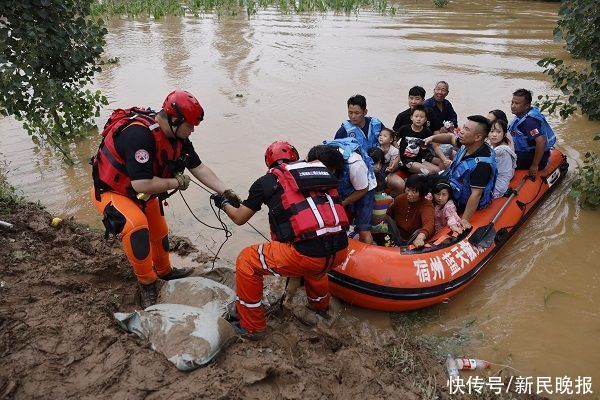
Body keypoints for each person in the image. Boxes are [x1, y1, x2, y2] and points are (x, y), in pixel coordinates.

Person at [90, 90, 240, 308]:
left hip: (143, 193)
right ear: (175, 120)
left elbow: (197, 167)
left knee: (159, 230)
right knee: (137, 227)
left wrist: (225, 190)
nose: (193, 130)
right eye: (190, 125)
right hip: (113, 191)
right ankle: (147, 283)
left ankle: (165, 271)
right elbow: (140, 184)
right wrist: (177, 182)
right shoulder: (138, 136)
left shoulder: (178, 136)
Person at [210, 141, 349, 338]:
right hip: (340, 250)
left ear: (268, 163)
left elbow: (239, 218)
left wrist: (223, 203)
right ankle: (319, 306)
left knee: (247, 259)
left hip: (307, 255)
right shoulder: (319, 173)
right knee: (316, 257)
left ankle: (252, 326)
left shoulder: (264, 182)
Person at [424, 115, 497, 228]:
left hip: (462, 201)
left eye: (466, 129)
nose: (461, 132)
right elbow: (450, 138)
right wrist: (432, 138)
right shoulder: (468, 143)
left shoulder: (482, 165)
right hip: (453, 185)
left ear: (478, 137)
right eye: (463, 127)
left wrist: (465, 219)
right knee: (422, 181)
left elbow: (476, 194)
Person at [334, 95, 405, 196]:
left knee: (400, 185)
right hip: (360, 170)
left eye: (357, 113)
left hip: (381, 166)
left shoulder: (376, 123)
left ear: (365, 112)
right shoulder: (344, 130)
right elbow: (335, 151)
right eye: (350, 112)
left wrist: (397, 159)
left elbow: (392, 140)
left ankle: (387, 205)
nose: (353, 116)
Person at [320, 138, 377, 245]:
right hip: (345, 183)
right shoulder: (321, 156)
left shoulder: (355, 164)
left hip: (365, 187)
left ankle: (367, 249)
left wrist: (343, 203)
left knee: (363, 229)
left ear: (335, 168)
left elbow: (363, 189)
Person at [508, 89, 557, 177]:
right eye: (512, 102)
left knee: (504, 160)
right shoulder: (524, 114)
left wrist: (534, 165)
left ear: (527, 106)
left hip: (535, 157)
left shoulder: (529, 122)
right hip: (527, 152)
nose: (513, 106)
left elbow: (541, 141)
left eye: (517, 103)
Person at [386, 174, 435, 248]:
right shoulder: (400, 199)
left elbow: (429, 224)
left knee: (418, 232)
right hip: (397, 235)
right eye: (408, 190)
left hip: (413, 238)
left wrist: (420, 238)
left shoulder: (426, 205)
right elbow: (389, 214)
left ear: (422, 193)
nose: (409, 194)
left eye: (414, 192)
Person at [396, 105, 442, 175]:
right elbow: (394, 140)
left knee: (437, 170)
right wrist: (397, 154)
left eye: (421, 117)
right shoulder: (404, 129)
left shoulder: (427, 131)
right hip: (405, 160)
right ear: (411, 117)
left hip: (419, 159)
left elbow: (435, 146)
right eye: (416, 116)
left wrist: (444, 159)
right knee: (428, 171)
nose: (418, 119)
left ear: (425, 119)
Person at [487, 119, 516, 198]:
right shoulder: (494, 146)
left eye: (498, 132)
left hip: (497, 188)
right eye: (492, 131)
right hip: (498, 183)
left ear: (504, 134)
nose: (494, 135)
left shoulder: (501, 151)